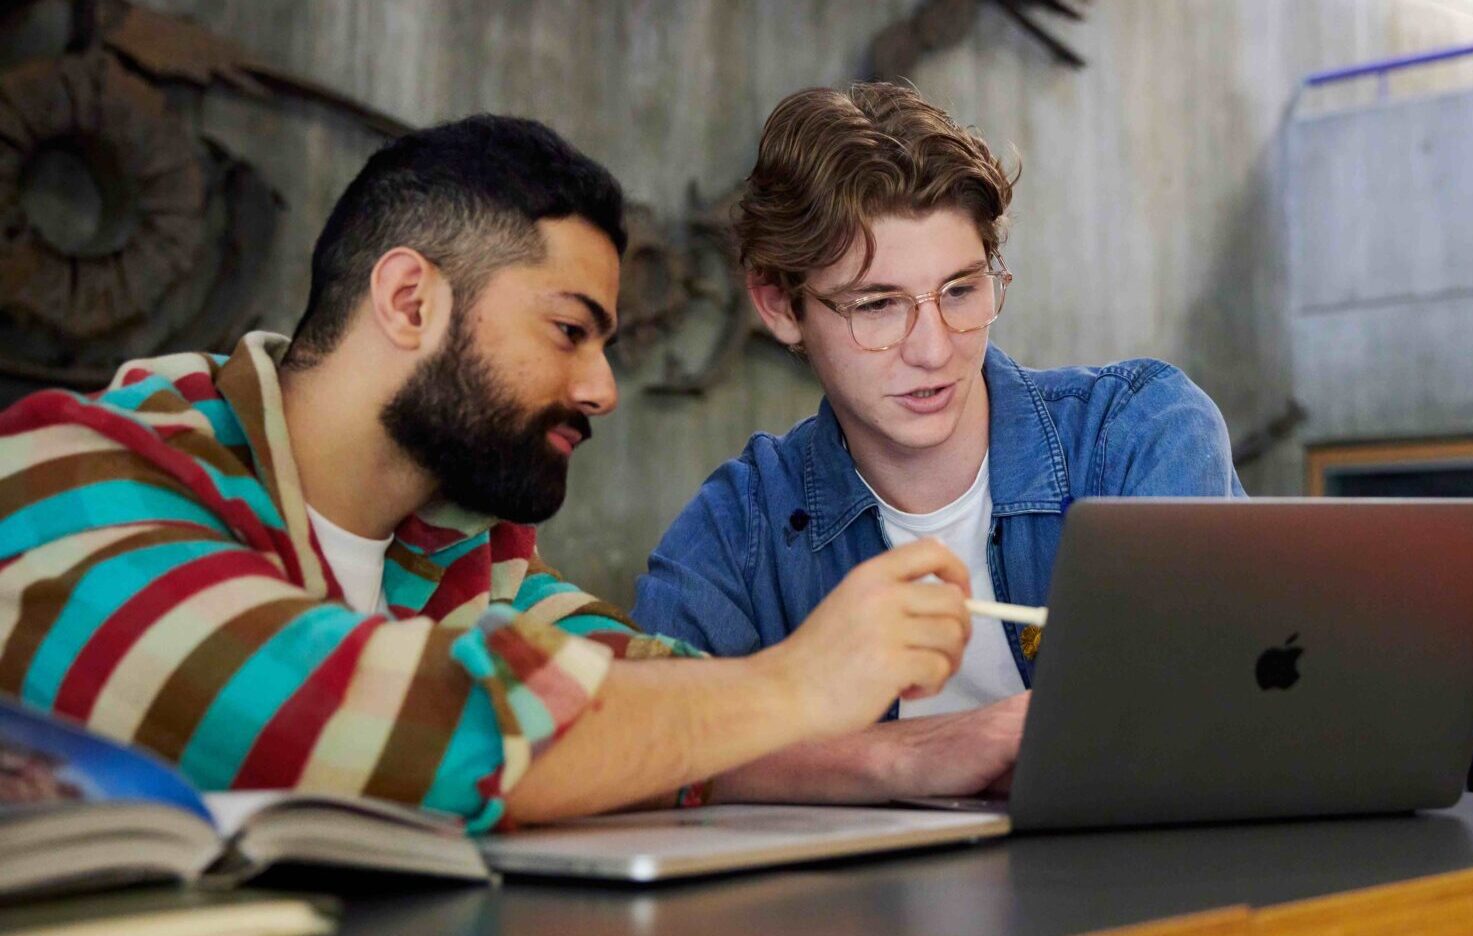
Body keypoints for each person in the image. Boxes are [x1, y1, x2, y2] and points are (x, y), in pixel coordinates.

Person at [0, 115, 976, 831]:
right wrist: (802, 682)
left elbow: (664, 713)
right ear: (411, 299)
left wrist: (929, 751)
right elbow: (362, 726)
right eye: (567, 331)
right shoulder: (70, 480)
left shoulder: (459, 559)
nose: (601, 388)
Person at [633, 83, 1244, 802]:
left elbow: (1213, 719)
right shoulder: (740, 527)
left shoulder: (1139, 431)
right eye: (878, 305)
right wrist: (903, 757)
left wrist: (802, 757)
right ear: (778, 305)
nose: (933, 350)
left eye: (960, 291)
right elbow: (646, 750)